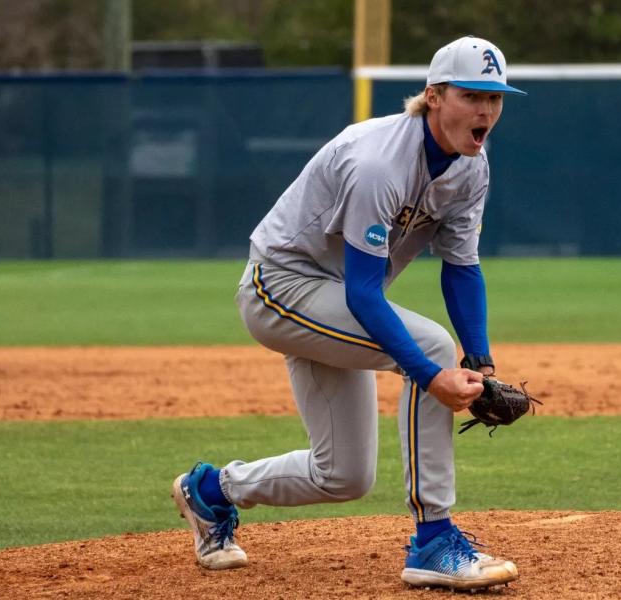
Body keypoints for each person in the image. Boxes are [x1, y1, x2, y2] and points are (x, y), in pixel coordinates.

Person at [171, 35, 526, 591]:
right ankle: (434, 540)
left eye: (496, 98)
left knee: (343, 475)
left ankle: (211, 492)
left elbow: (461, 266)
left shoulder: (470, 168)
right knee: (430, 347)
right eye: (471, 94)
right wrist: (432, 375)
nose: (486, 110)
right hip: (281, 287)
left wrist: (479, 360)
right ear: (433, 95)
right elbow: (364, 295)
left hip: (334, 299)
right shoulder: (378, 161)